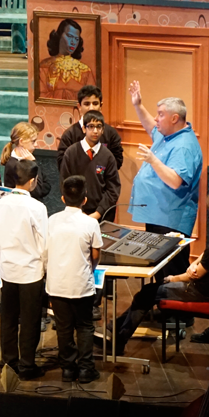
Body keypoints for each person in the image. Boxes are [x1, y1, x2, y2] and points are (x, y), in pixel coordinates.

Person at [95, 189, 209, 354]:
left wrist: (173, 278)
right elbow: (205, 256)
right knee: (148, 292)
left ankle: (118, 341)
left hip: (201, 292)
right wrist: (195, 263)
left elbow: (192, 275)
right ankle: (115, 328)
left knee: (147, 294)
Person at [127, 80, 204, 280]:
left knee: (172, 273)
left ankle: (175, 311)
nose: (156, 118)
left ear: (175, 118)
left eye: (161, 114)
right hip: (158, 215)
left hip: (171, 221)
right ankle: (162, 308)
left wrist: (153, 160)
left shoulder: (184, 146)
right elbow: (150, 126)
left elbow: (175, 181)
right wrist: (137, 104)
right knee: (159, 271)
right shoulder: (168, 134)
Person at [0, 160, 48, 381]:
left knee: (9, 318)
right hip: (31, 271)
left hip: (8, 269)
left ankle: (9, 361)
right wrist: (44, 264)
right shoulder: (37, 207)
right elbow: (44, 243)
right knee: (30, 320)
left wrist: (9, 248)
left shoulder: (0, 204)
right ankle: (27, 365)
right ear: (32, 182)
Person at [60, 110, 120, 321]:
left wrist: (98, 213)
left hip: (98, 217)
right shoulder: (71, 153)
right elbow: (65, 183)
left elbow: (113, 189)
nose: (95, 131)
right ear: (84, 128)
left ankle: (94, 302)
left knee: (97, 261)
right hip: (75, 215)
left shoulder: (107, 156)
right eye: (91, 127)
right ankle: (70, 302)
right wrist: (77, 212)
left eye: (99, 127)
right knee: (74, 256)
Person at [46, 175, 103, 384]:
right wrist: (90, 268)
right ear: (85, 199)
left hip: (57, 284)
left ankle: (68, 370)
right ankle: (86, 369)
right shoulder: (91, 223)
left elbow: (46, 251)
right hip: (81, 284)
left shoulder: (52, 221)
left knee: (63, 327)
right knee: (85, 326)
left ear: (62, 198)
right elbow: (95, 254)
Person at [56, 85, 124, 170]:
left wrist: (97, 172)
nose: (91, 108)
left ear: (100, 106)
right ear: (79, 107)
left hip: (102, 182)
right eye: (87, 104)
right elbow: (62, 164)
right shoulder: (69, 135)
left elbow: (117, 162)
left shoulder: (111, 134)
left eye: (95, 103)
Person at [38, 19, 96, 100]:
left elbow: (91, 99)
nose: (73, 42)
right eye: (69, 36)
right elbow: (40, 97)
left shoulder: (85, 70)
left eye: (76, 39)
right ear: (59, 35)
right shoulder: (44, 67)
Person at [0, 122, 51, 202]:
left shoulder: (30, 156)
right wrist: (33, 162)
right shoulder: (13, 165)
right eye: (33, 141)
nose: (36, 144)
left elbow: (47, 186)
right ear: (21, 141)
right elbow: (38, 191)